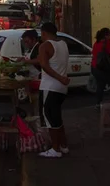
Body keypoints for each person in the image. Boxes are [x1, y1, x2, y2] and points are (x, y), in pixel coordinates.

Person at [37, 22, 70, 158]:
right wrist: (62, 79)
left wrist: (59, 78)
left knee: (50, 118)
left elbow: (44, 65)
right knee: (57, 117)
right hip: (62, 88)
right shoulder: (63, 44)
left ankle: (55, 149)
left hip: (49, 86)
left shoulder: (45, 46)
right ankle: (63, 145)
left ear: (44, 33)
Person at [91, 27, 110, 110]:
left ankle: (98, 104)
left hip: (95, 68)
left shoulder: (96, 43)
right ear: (106, 35)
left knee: (100, 85)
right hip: (105, 69)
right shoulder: (108, 43)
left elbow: (94, 55)